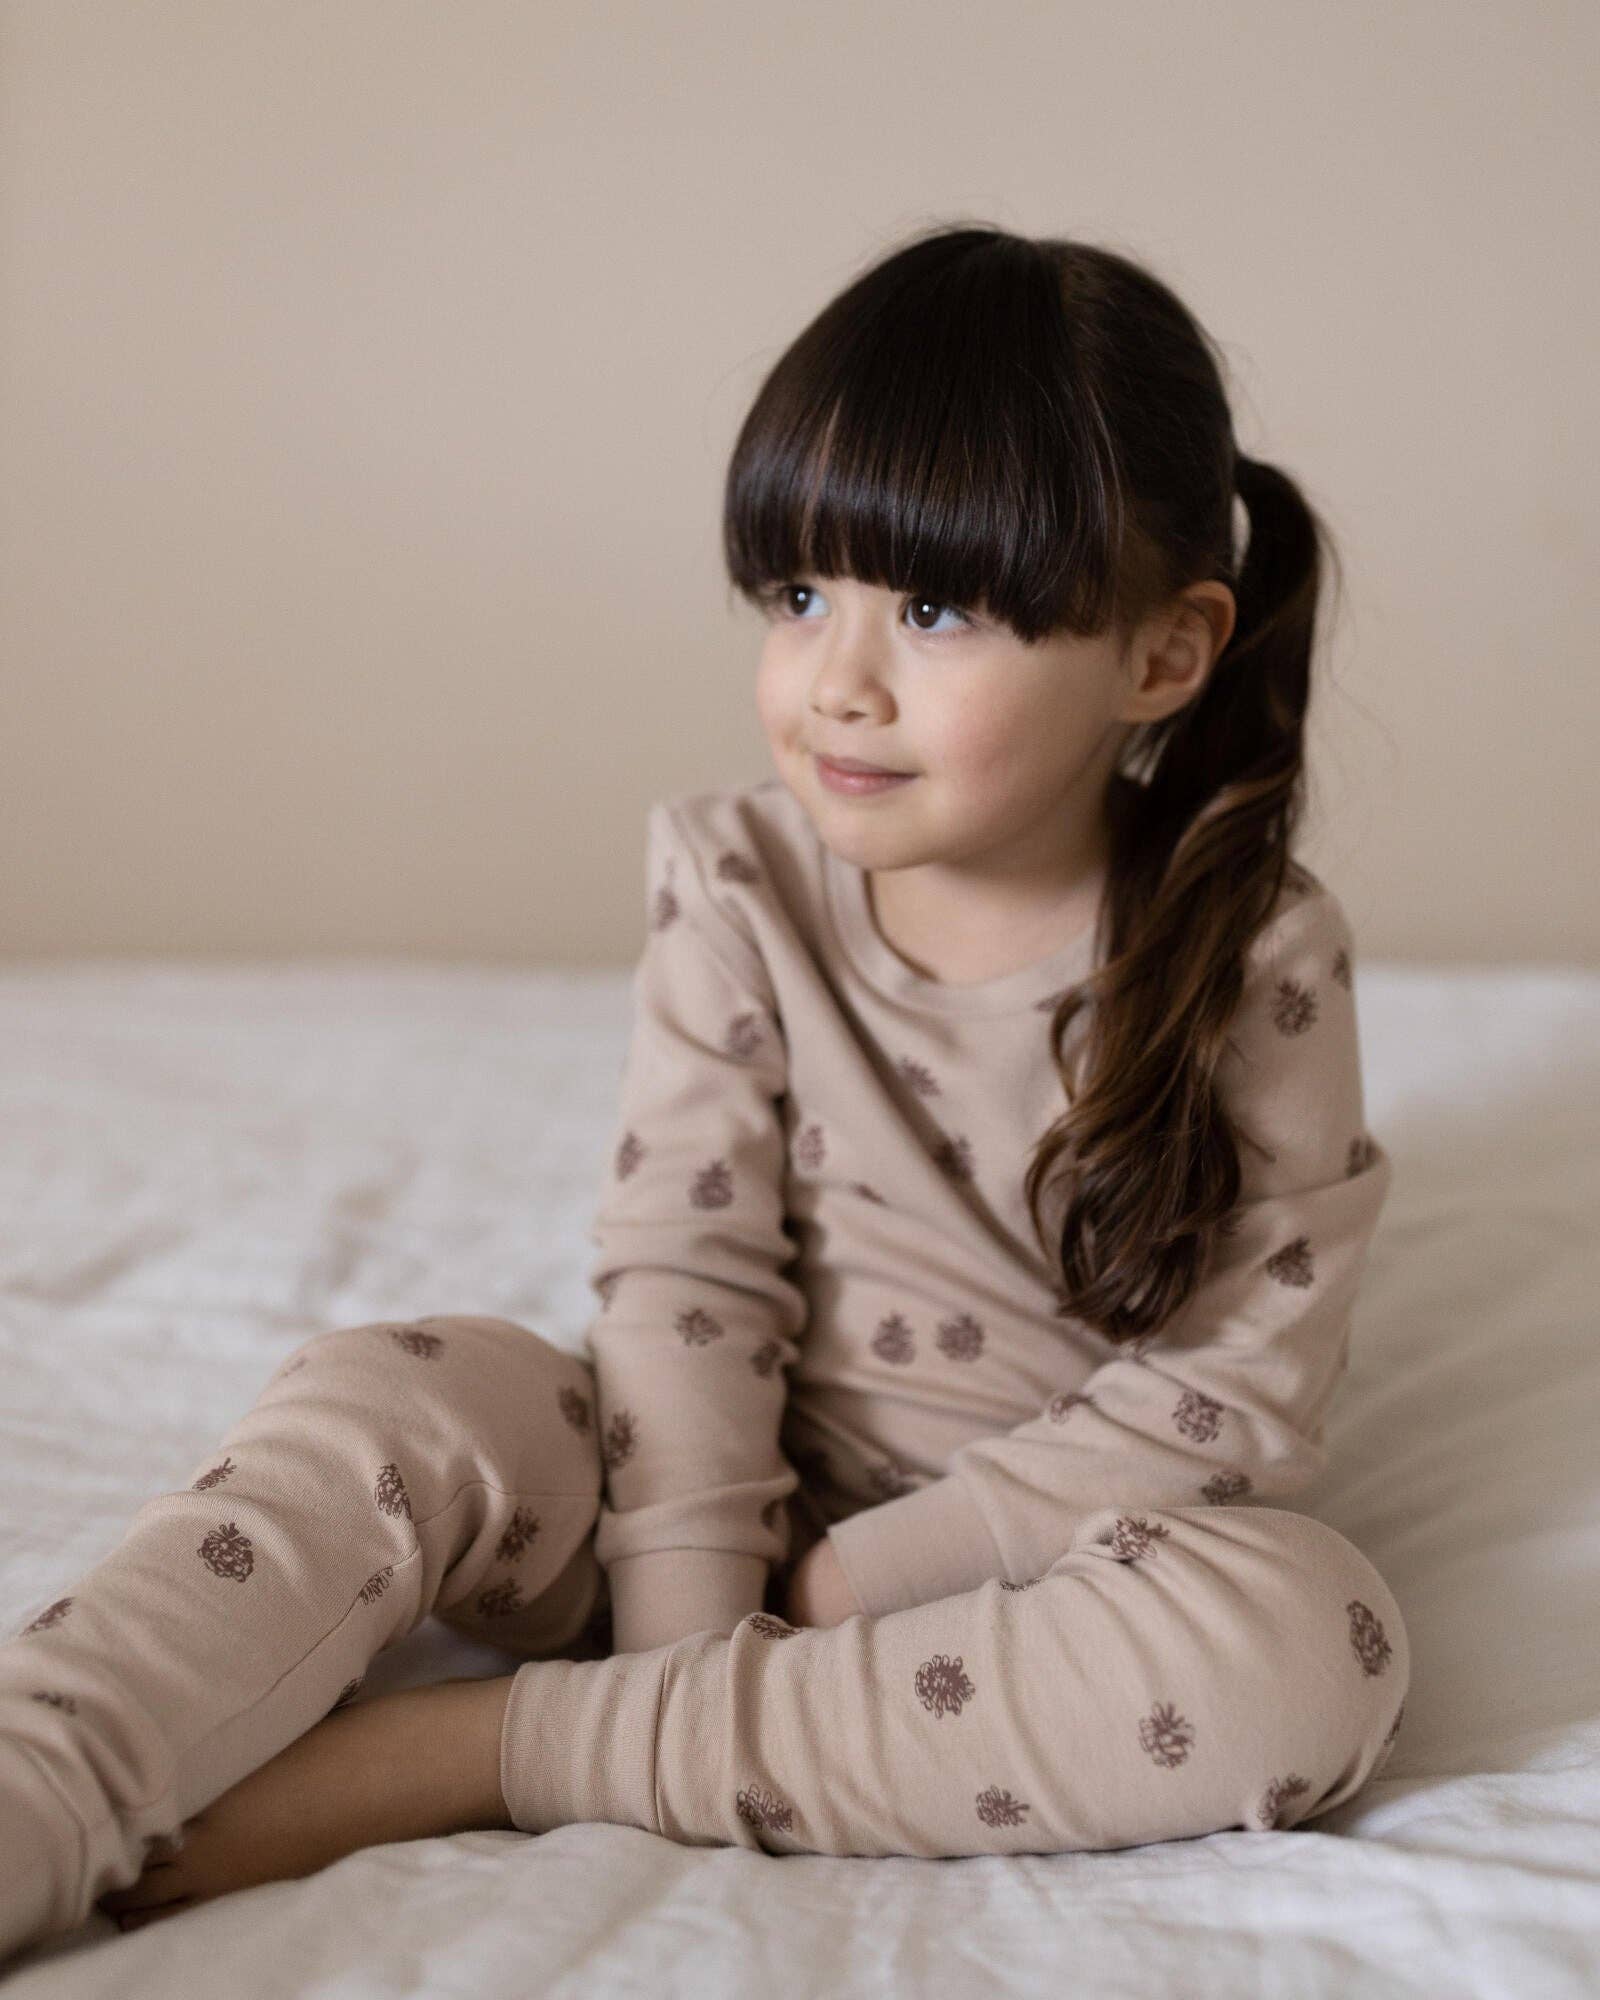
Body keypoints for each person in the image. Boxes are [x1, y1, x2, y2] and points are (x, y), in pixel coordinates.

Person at [0, 221, 1408, 1961]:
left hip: (1034, 1571)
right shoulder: (735, 878)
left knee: (1305, 1648)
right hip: (698, 1492)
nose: (840, 679)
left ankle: (488, 1755)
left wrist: (819, 1607)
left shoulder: (1251, 950)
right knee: (400, 1392)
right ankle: (45, 1777)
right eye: (801, 594)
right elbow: (690, 1266)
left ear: (1162, 655)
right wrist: (690, 1623)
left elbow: (1231, 1402)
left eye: (940, 609)